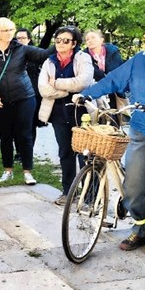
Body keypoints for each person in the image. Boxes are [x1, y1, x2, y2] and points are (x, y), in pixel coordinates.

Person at [76, 11, 145, 255]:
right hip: (141, 126)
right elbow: (114, 79)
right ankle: (141, 226)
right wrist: (88, 93)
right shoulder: (140, 59)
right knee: (132, 184)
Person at [0, 17, 52, 185]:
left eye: (12, 30)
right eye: (6, 30)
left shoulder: (22, 49)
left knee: (25, 135)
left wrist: (61, 42)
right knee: (5, 136)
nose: (10, 33)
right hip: (1, 101)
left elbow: (44, 54)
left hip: (25, 98)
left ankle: (28, 172)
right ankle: (8, 170)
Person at [38, 27, 93, 206]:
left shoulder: (83, 58)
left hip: (80, 112)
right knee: (65, 153)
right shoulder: (49, 61)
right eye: (58, 40)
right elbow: (43, 88)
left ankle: (90, 195)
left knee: (85, 154)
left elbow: (84, 82)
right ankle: (68, 191)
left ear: (74, 43)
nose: (60, 43)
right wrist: (66, 90)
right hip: (58, 113)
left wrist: (57, 84)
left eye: (66, 40)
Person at [83, 29, 125, 115]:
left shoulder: (113, 52)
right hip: (94, 95)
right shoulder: (83, 56)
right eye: (87, 39)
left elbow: (117, 72)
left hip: (114, 93)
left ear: (101, 40)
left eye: (93, 37)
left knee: (114, 122)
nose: (90, 40)